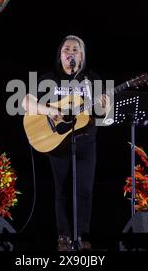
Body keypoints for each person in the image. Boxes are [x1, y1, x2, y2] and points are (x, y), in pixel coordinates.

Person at [22, 35, 110, 251]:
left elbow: (103, 118)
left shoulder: (91, 79)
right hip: (58, 142)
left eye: (75, 50)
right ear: (60, 54)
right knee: (61, 189)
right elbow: (25, 101)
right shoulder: (49, 78)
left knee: (85, 190)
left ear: (82, 56)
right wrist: (50, 110)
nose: (70, 53)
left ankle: (82, 236)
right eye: (66, 50)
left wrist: (106, 107)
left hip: (87, 142)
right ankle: (63, 237)